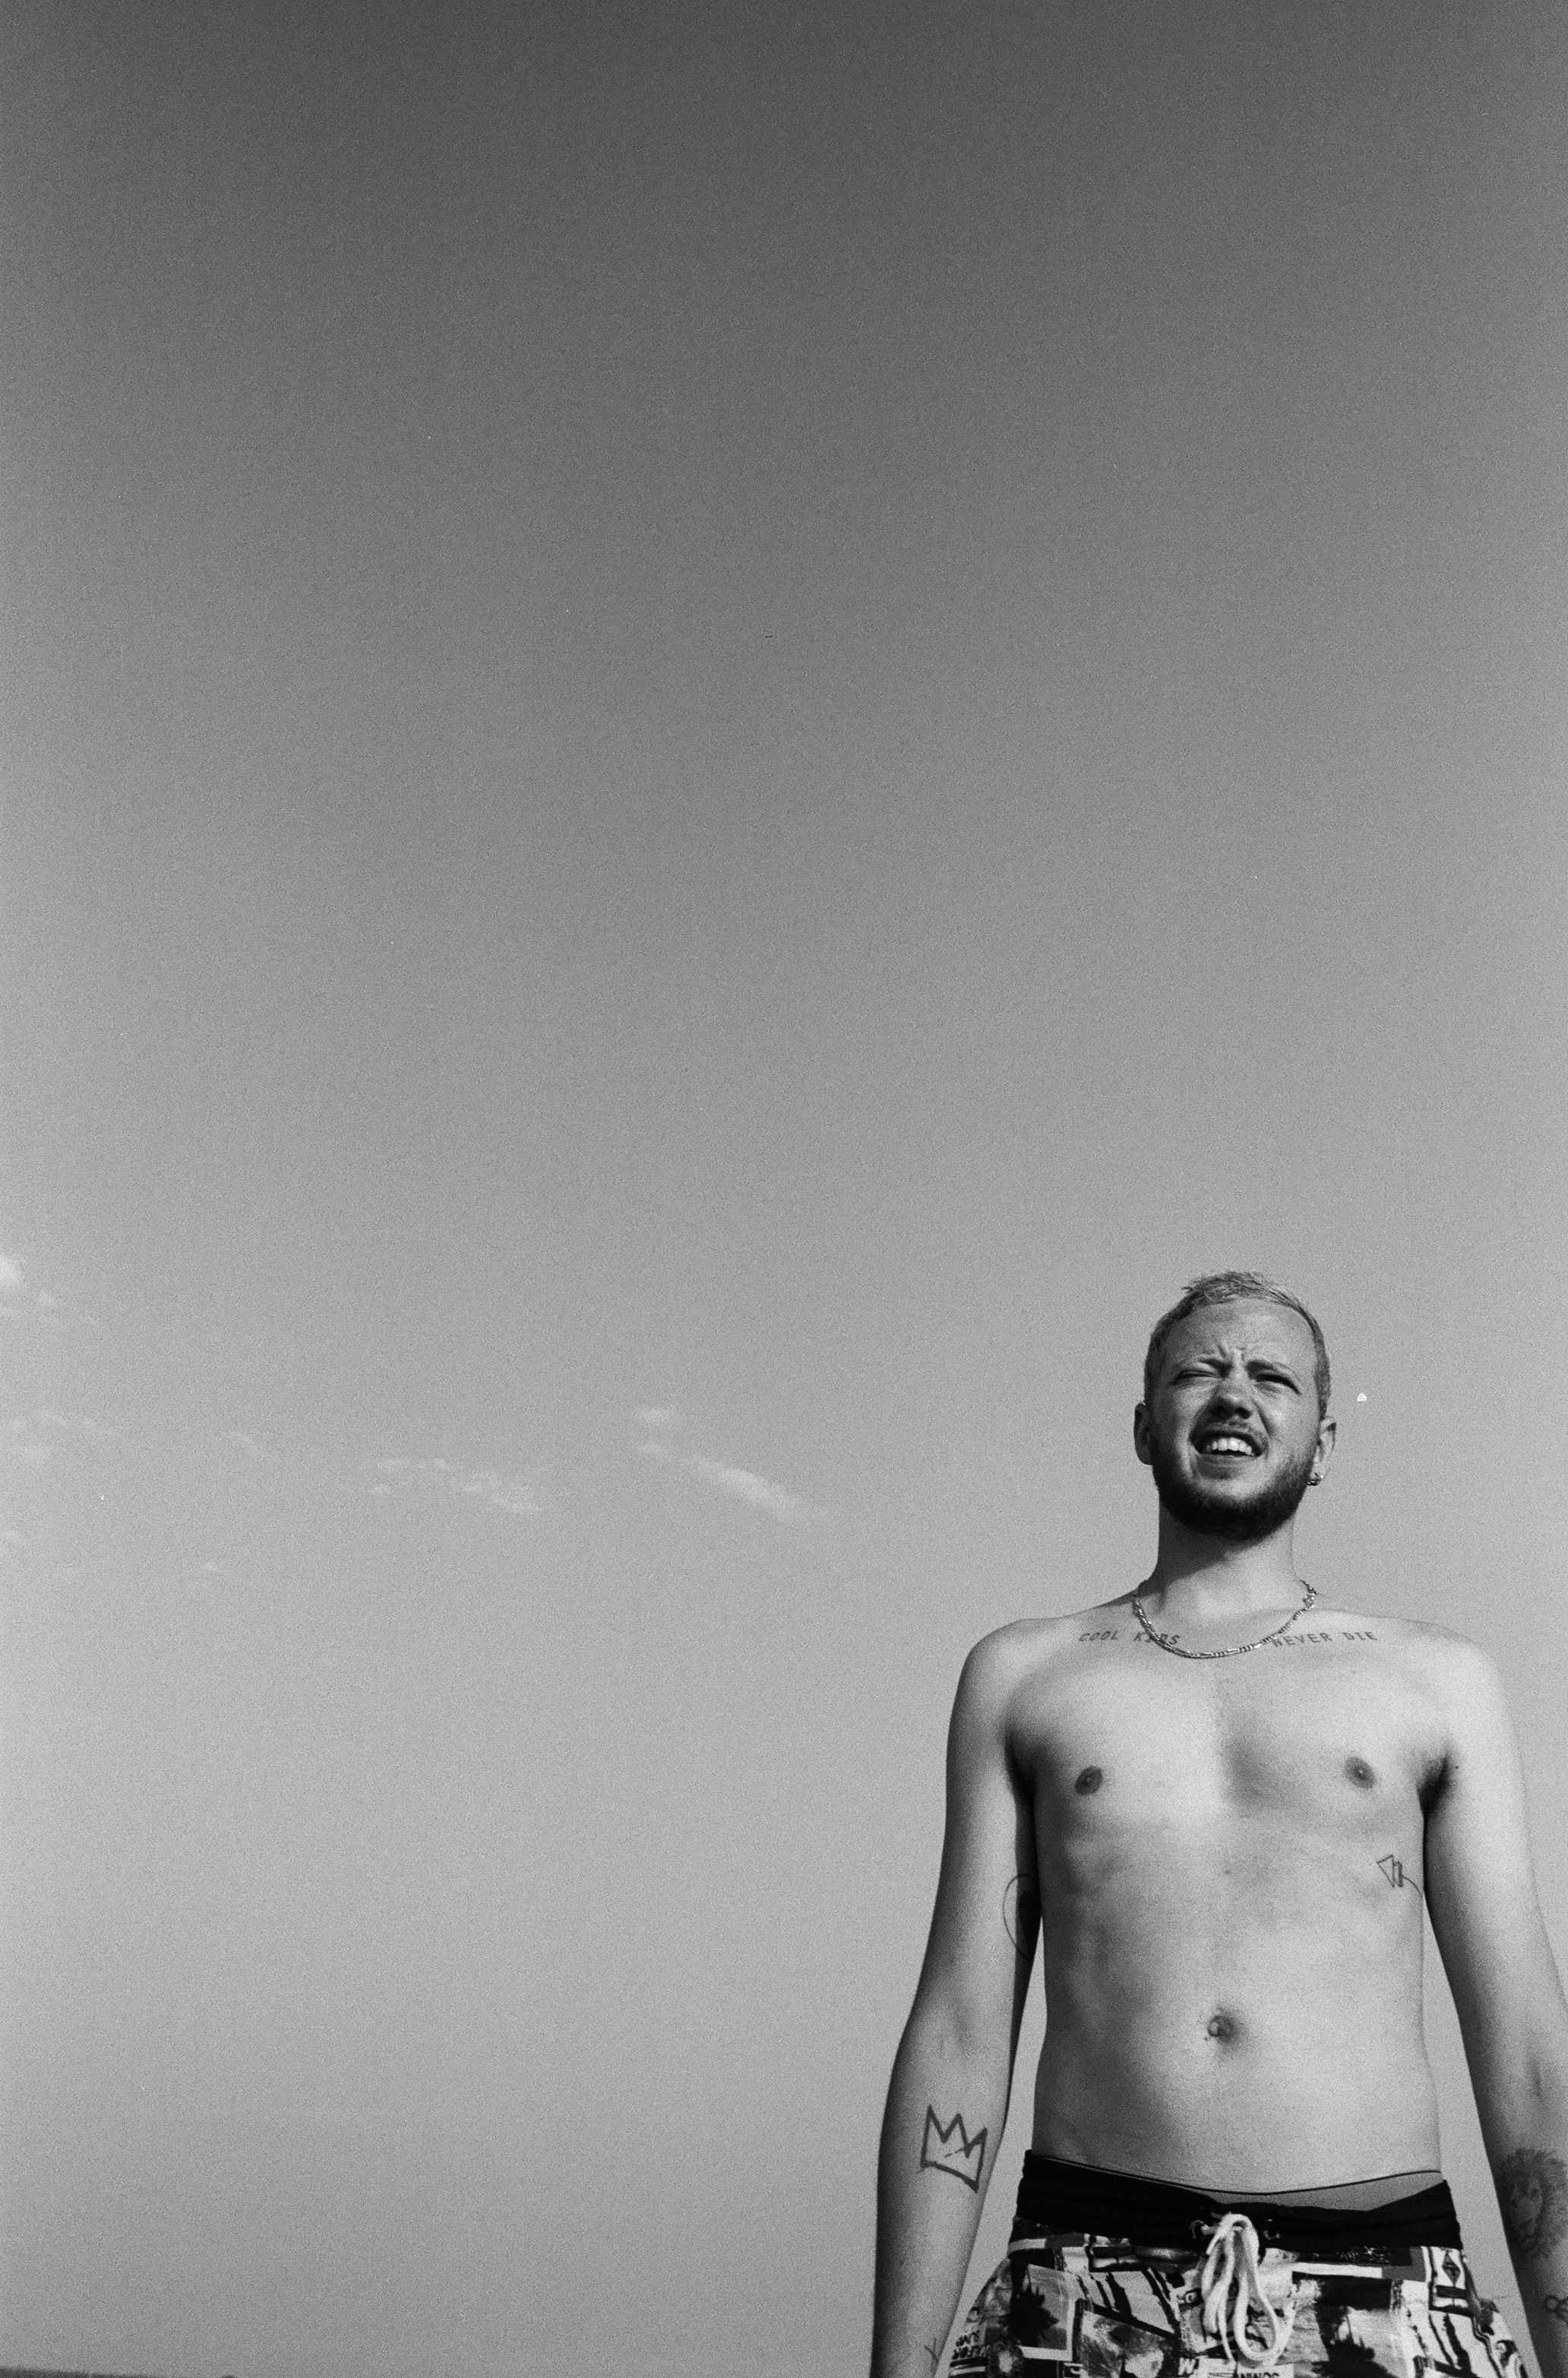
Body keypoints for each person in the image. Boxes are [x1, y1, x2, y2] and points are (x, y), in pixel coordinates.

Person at [871, 1271, 1568, 2378]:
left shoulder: (1437, 1681)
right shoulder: (1026, 1675)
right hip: (1083, 2292)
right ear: (1144, 1427)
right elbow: (959, 2033)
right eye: (1200, 1370)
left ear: (1322, 1442)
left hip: (1382, 2293)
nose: (1235, 1392)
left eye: (1271, 1376)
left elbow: (1528, 2054)